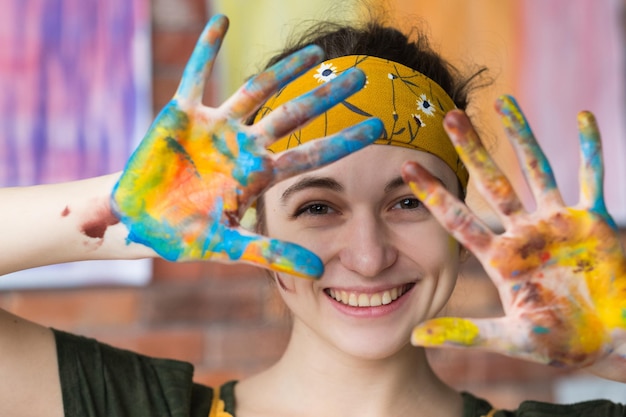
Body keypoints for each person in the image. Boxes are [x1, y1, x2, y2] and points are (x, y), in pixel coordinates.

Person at [1, 12, 625, 417]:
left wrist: (619, 351)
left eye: (409, 203)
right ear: (253, 226)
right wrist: (113, 211)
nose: (369, 254)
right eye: (318, 206)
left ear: (461, 228)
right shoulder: (129, 408)